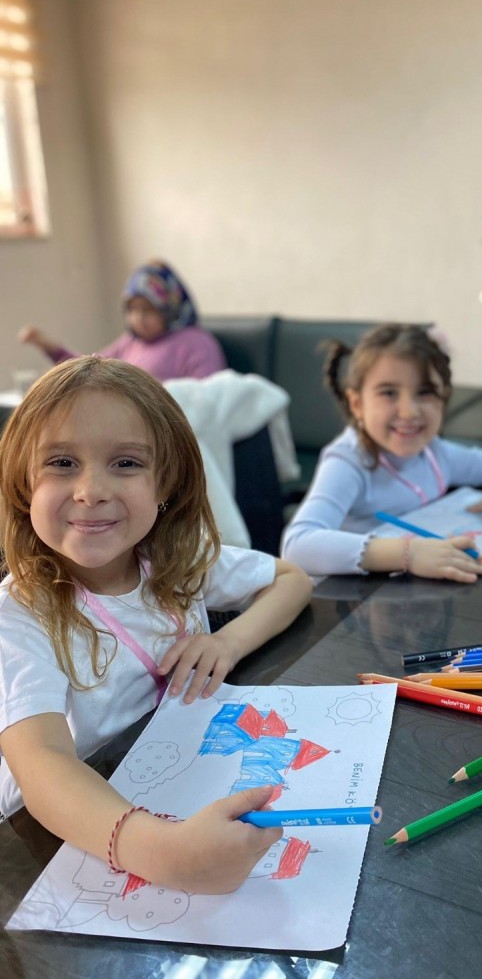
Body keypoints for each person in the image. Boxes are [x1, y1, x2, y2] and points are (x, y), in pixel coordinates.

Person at [0, 356, 313, 893]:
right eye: (61, 462)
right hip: (54, 833)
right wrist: (165, 854)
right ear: (23, 484)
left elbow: (291, 579)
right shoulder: (21, 614)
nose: (91, 490)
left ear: (166, 483)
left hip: (171, 766)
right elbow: (42, 764)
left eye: (125, 463)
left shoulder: (172, 559)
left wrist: (228, 641)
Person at [281, 323, 482, 581]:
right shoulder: (348, 462)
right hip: (357, 598)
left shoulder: (434, 453)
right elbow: (297, 546)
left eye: (425, 392)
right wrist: (408, 553)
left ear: (444, 399)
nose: (409, 412)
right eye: (389, 393)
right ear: (357, 404)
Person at [18, 260, 226, 382]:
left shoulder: (195, 342)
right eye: (132, 309)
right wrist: (49, 346)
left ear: (170, 308)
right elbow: (90, 373)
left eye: (148, 309)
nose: (139, 318)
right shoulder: (131, 342)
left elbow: (207, 399)